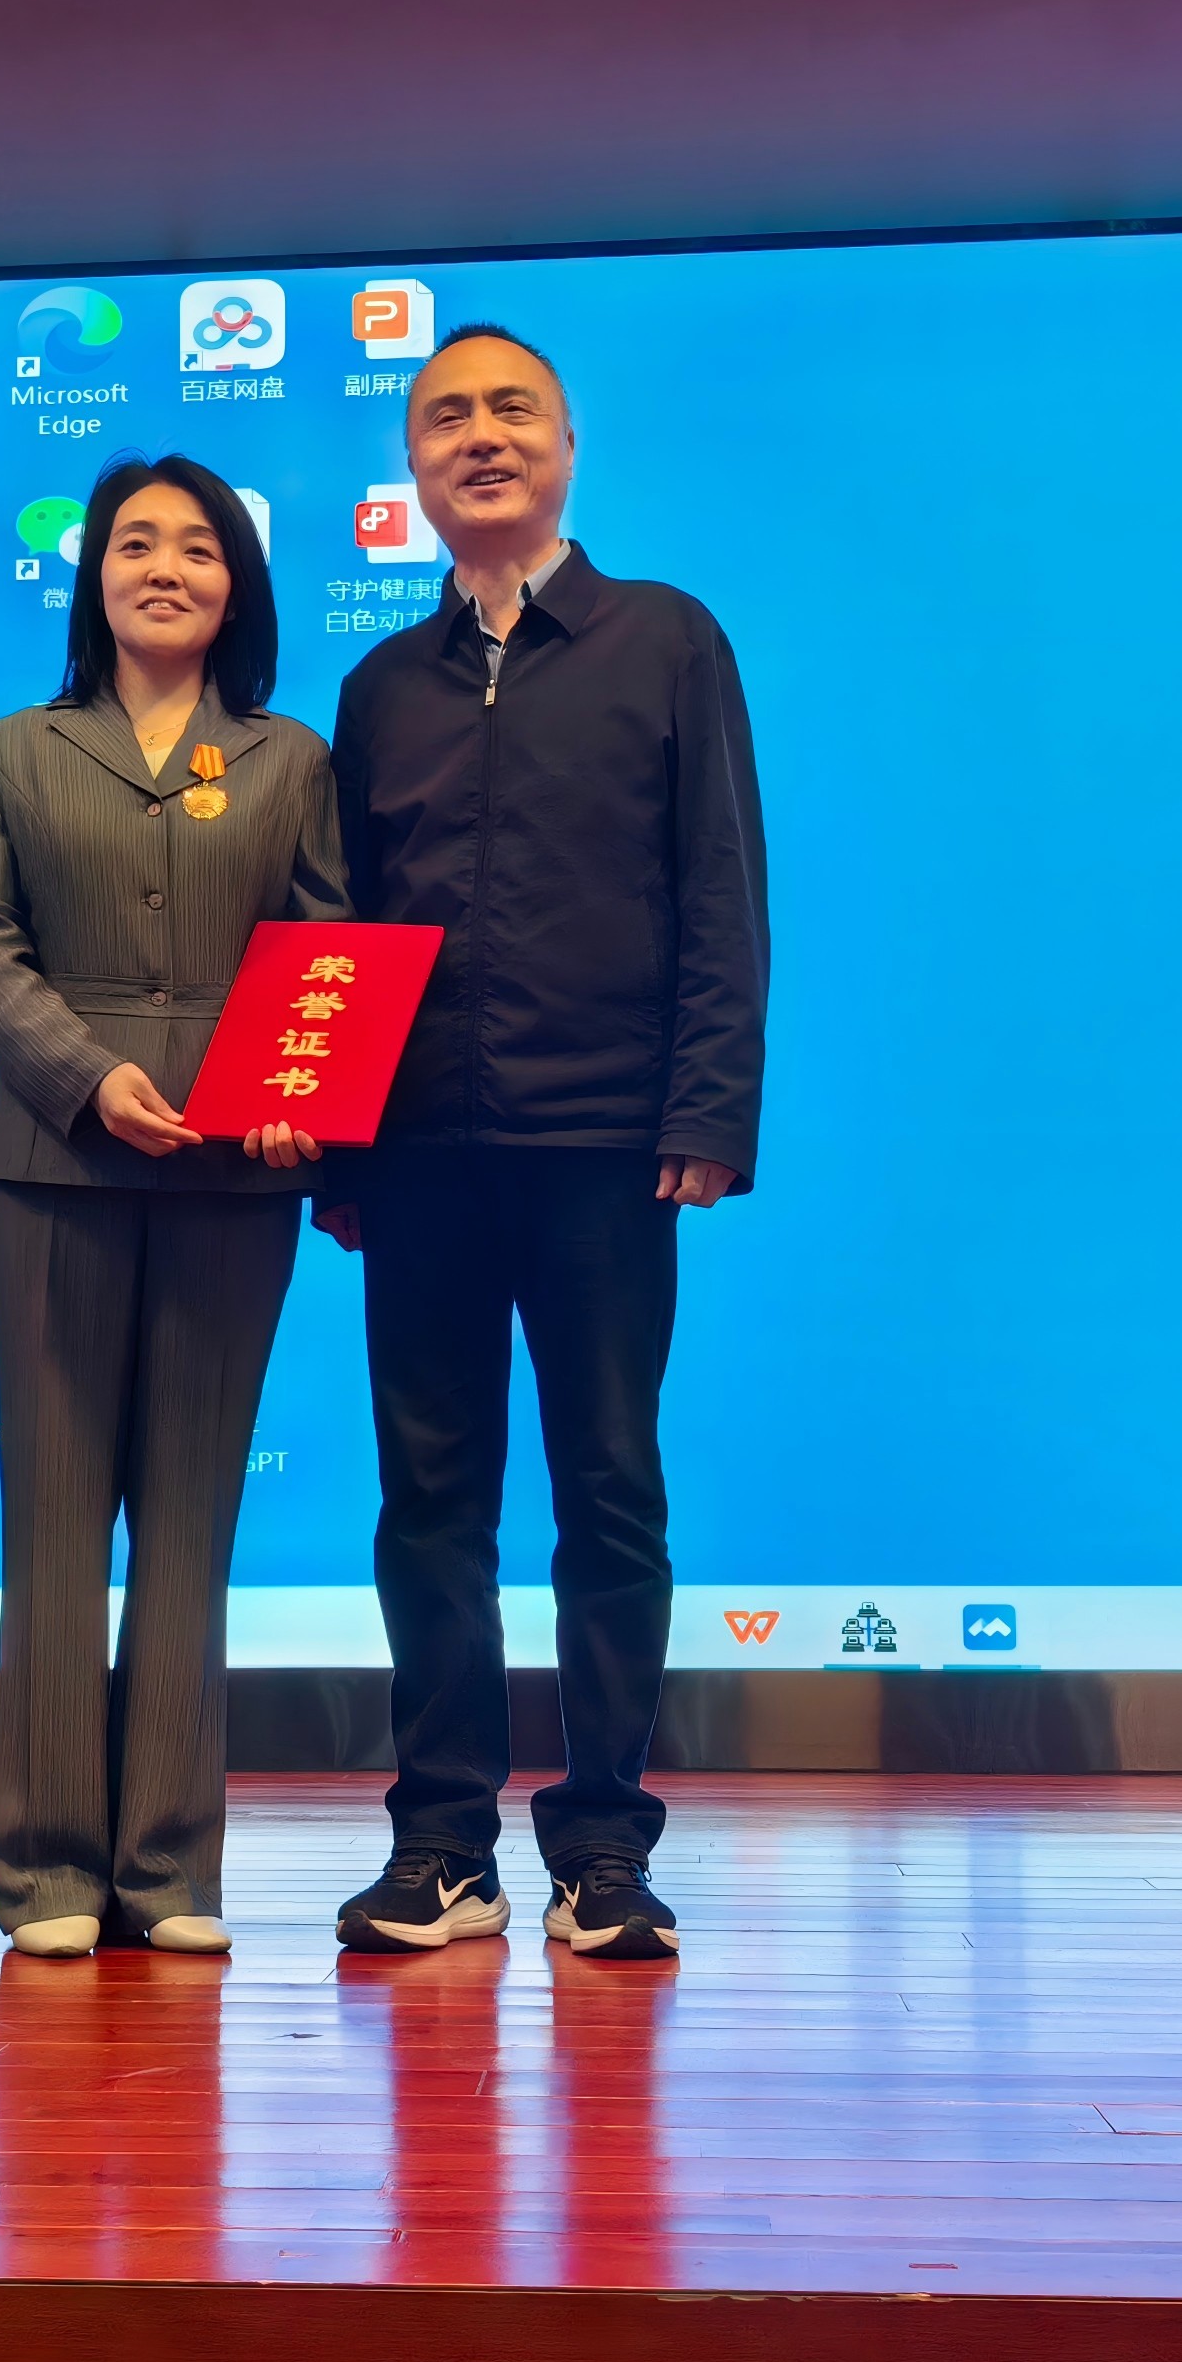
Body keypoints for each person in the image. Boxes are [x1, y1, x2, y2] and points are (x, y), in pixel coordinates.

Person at [324, 326, 768, 1964]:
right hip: (420, 1161)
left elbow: (721, 886)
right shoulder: (381, 689)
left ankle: (602, 1849)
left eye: (512, 410)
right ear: (416, 467)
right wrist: (344, 1156)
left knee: (610, 1498)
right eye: (446, 418)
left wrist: (707, 1111)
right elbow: (345, 931)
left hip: (605, 1151)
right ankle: (441, 1845)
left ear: (567, 448)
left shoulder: (667, 640)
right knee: (428, 1507)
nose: (481, 437)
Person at [0, 454, 342, 1958]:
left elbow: (326, 952)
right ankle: (47, 1871)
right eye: (134, 544)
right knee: (54, 1519)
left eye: (197, 548)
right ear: (94, 576)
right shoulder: (17, 748)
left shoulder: (291, 758)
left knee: (191, 1520)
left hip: (235, 1175)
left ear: (238, 587)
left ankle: (170, 1869)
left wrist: (303, 1099)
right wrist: (85, 1074)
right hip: (55, 1166)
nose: (164, 567)